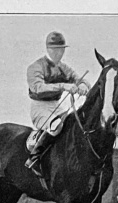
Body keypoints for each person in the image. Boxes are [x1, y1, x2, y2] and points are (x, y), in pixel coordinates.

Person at [25, 31, 91, 176]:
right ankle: (34, 158)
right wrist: (64, 86)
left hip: (56, 105)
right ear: (48, 49)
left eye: (61, 49)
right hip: (40, 106)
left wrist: (84, 87)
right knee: (55, 126)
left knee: (72, 125)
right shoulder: (35, 67)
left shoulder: (63, 67)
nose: (59, 53)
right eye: (56, 49)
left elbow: (79, 79)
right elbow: (38, 88)